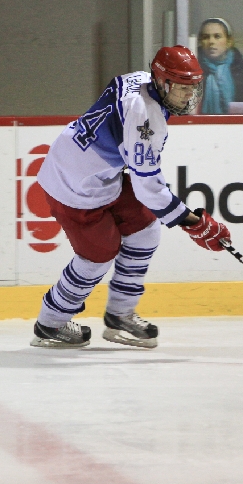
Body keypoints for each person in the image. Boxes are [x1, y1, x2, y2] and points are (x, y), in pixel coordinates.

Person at [31, 46, 232, 349]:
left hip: (94, 173)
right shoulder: (146, 119)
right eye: (182, 88)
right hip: (73, 187)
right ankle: (51, 322)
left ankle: (120, 314)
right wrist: (195, 223)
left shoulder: (140, 79)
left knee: (145, 228)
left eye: (192, 87)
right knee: (98, 254)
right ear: (162, 82)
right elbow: (147, 187)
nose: (189, 95)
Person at [197, 18, 243, 114]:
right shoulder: (192, 69)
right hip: (200, 122)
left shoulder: (241, 68)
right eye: (206, 37)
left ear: (229, 42)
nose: (211, 41)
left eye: (217, 36)